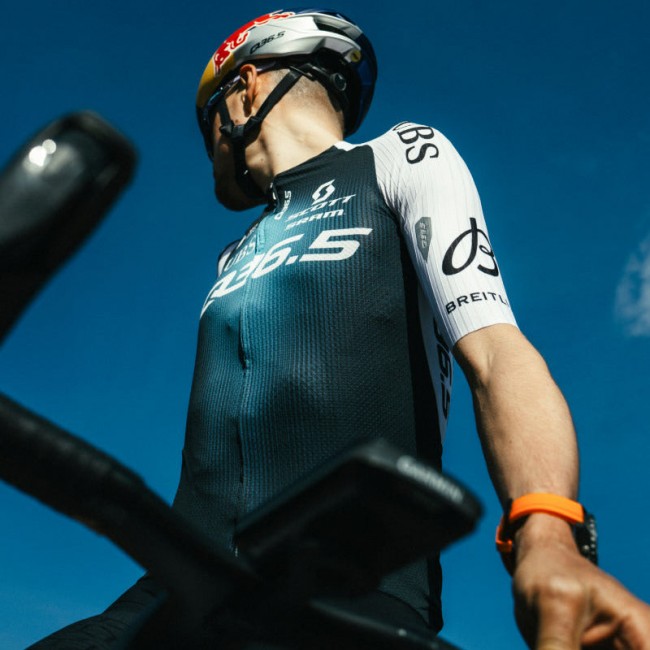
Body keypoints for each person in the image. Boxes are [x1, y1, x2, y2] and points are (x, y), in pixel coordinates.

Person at [32, 8, 650, 650]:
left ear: (245, 88)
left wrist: (548, 534)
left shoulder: (400, 156)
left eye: (208, 125)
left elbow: (497, 352)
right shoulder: (231, 255)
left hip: (349, 590)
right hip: (171, 592)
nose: (210, 150)